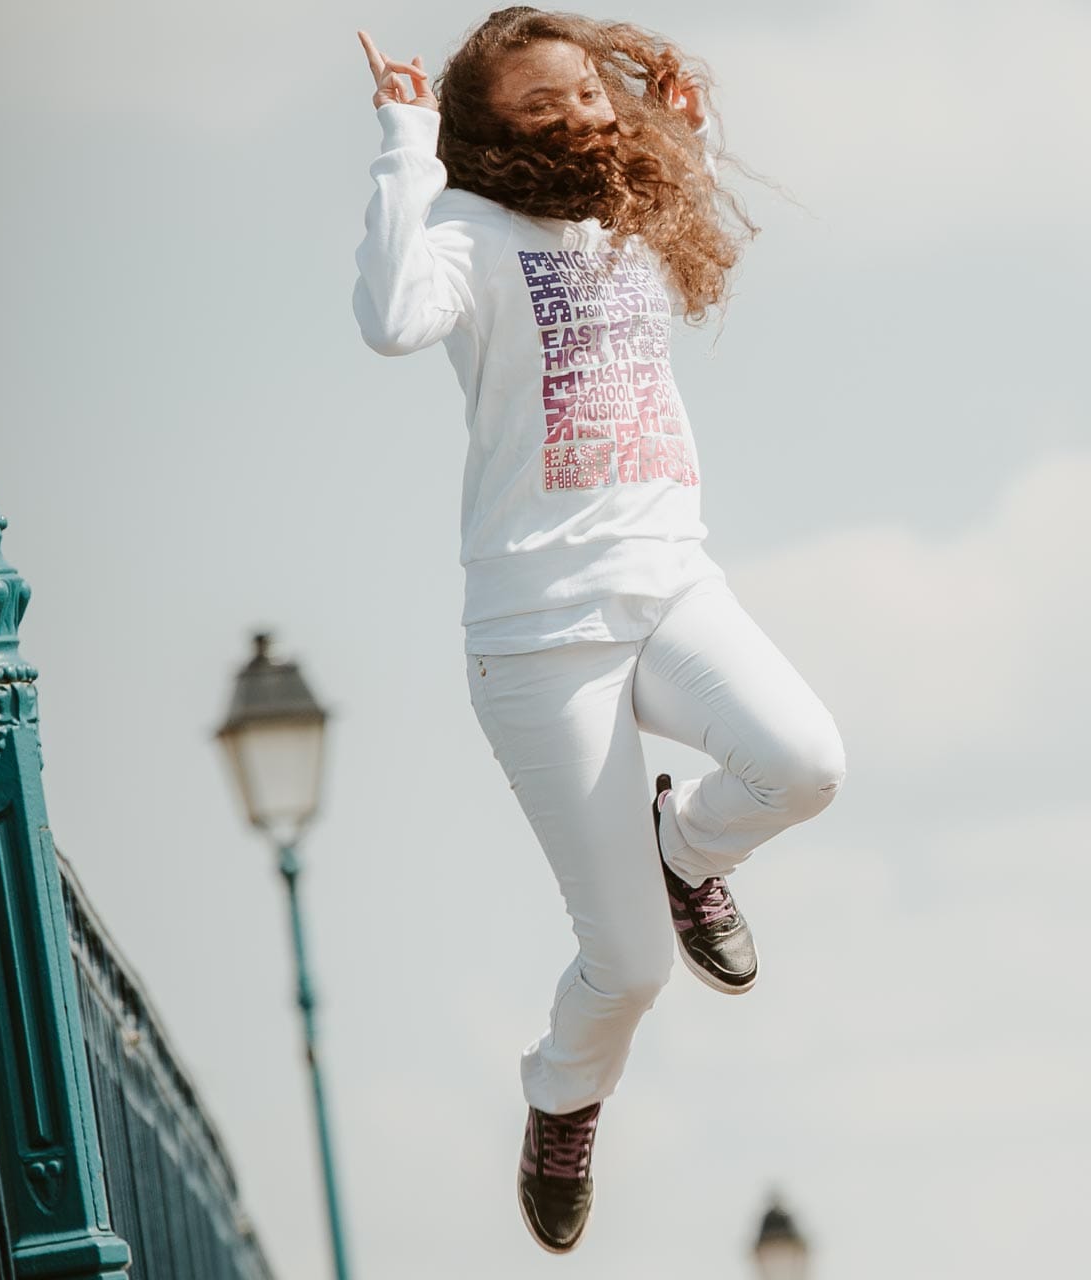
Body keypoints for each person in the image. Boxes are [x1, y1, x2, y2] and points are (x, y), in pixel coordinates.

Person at [352, 9, 845, 1251]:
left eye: (585, 92)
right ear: (488, 132)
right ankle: (562, 1097)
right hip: (537, 632)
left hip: (670, 581)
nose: (576, 114)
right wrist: (403, 141)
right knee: (627, 968)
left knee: (803, 762)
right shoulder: (464, 232)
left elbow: (683, 184)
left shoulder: (628, 208)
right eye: (541, 105)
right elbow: (389, 314)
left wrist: (681, 123)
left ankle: (687, 853)